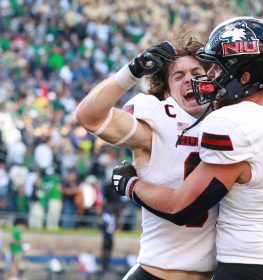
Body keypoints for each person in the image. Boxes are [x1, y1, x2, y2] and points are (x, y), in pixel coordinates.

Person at [112, 16, 263, 280]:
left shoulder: (234, 124)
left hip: (245, 268)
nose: (210, 75)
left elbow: (181, 207)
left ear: (245, 77)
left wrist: (130, 184)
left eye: (218, 69)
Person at [76, 35, 217, 279]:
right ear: (166, 92)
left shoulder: (230, 122)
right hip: (157, 274)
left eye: (197, 71)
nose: (190, 79)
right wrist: (131, 72)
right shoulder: (158, 122)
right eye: (178, 76)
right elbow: (90, 117)